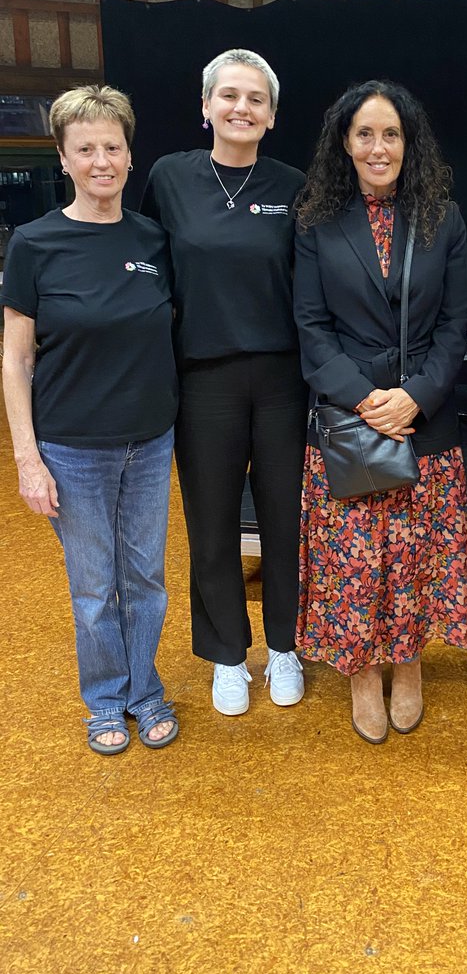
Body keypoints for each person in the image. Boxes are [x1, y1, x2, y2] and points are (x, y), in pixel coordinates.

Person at [294, 80, 467, 744]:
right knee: (354, 562)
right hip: (349, 420)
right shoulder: (314, 220)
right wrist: (366, 400)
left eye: (391, 134)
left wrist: (417, 396)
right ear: (345, 142)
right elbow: (310, 329)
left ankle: (410, 664)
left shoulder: (443, 219)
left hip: (423, 421)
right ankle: (362, 674)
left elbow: (457, 327)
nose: (378, 146)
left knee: (413, 558)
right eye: (365, 133)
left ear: (410, 142)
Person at [1, 86, 179, 754]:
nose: (101, 161)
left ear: (130, 155)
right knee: (95, 589)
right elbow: (15, 360)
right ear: (65, 158)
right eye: (86, 150)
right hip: (73, 449)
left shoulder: (153, 240)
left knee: (147, 582)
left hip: (150, 441)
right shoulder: (35, 244)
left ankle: (145, 689)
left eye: (112, 147)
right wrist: (27, 458)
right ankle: (105, 701)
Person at [142, 49, 308, 717]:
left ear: (271, 116)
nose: (242, 108)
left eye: (256, 99)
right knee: (210, 526)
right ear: (206, 106)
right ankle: (227, 657)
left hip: (281, 378)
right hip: (202, 376)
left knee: (284, 521)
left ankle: (287, 649)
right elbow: (147, 273)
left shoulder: (294, 185)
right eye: (229, 95)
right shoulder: (170, 178)